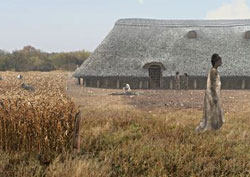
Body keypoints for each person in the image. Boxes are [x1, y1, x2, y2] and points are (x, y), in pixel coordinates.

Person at [196, 54, 224, 132]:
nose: (221, 62)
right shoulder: (213, 71)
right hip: (212, 94)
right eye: (220, 60)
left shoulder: (214, 70)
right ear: (216, 61)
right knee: (212, 110)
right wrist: (214, 96)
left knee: (213, 110)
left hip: (213, 93)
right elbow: (212, 84)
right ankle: (212, 127)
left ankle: (214, 127)